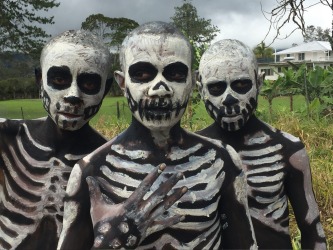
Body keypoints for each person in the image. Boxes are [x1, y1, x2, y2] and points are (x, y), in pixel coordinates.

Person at [58, 22, 257, 250]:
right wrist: (109, 243)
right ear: (123, 83)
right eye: (143, 74)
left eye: (175, 74)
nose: (160, 88)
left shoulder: (221, 160)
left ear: (191, 82)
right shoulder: (90, 171)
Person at [196, 38, 327, 249]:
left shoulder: (289, 150)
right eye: (217, 87)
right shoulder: (189, 153)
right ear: (201, 89)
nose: (229, 99)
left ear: (259, 82)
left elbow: (312, 228)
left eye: (241, 85)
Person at [0, 29, 112, 250]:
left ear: (106, 89)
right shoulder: (6, 137)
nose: (73, 95)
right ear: (39, 80)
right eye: (60, 79)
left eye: (88, 84)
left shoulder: (109, 160)